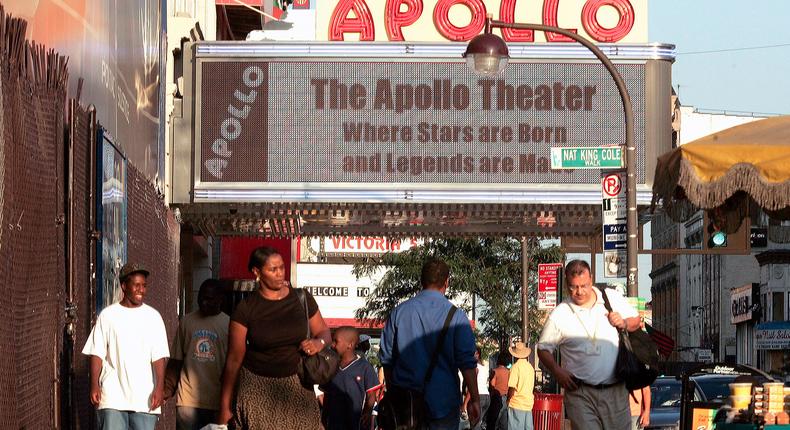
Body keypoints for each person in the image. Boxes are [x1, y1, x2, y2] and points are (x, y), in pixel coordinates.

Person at [217, 246, 332, 429]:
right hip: (257, 389)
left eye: (282, 267)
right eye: (273, 269)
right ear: (257, 272)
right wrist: (224, 406)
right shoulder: (246, 308)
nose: (280, 274)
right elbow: (234, 359)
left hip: (298, 387)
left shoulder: (302, 298)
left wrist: (319, 343)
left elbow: (324, 332)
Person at [536, 260, 641, 430]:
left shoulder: (610, 297)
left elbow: (636, 321)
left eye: (583, 285)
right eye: (573, 287)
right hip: (580, 392)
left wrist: (623, 322)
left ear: (591, 279)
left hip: (615, 390)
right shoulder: (560, 313)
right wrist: (557, 371)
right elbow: (543, 349)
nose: (579, 291)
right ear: (566, 285)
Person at [379, 257, 480, 429]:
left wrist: (395, 395)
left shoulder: (399, 313)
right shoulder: (456, 317)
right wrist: (475, 400)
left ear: (421, 280)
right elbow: (467, 364)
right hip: (443, 404)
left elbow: (387, 361)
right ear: (447, 281)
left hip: (406, 408)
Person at [82, 263, 170, 430]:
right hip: (113, 398)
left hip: (145, 399)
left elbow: (159, 356)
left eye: (144, 286)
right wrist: (94, 384)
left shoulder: (153, 317)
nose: (141, 290)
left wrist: (159, 387)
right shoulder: (108, 315)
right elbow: (97, 353)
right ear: (124, 286)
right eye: (136, 285)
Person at [164, 278, 229, 430]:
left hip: (216, 401)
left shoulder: (229, 324)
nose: (204, 302)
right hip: (187, 401)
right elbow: (176, 360)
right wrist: (167, 389)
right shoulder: (187, 322)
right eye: (201, 298)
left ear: (220, 299)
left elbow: (233, 365)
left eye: (209, 299)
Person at [320, 326, 378, 430]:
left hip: (356, 422)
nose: (332, 345)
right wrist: (324, 418)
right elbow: (327, 396)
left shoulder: (364, 367)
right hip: (334, 423)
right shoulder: (331, 367)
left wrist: (367, 412)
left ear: (350, 345)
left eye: (336, 341)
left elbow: (371, 395)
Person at [506, 342, 535, 430]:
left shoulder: (515, 367)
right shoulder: (530, 368)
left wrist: (508, 400)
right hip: (528, 403)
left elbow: (512, 387)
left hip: (517, 403)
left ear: (515, 355)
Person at [489, 352, 511, 430]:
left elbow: (492, 385)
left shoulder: (495, 371)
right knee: (504, 424)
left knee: (493, 423)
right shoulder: (509, 372)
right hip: (506, 399)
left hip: (496, 399)